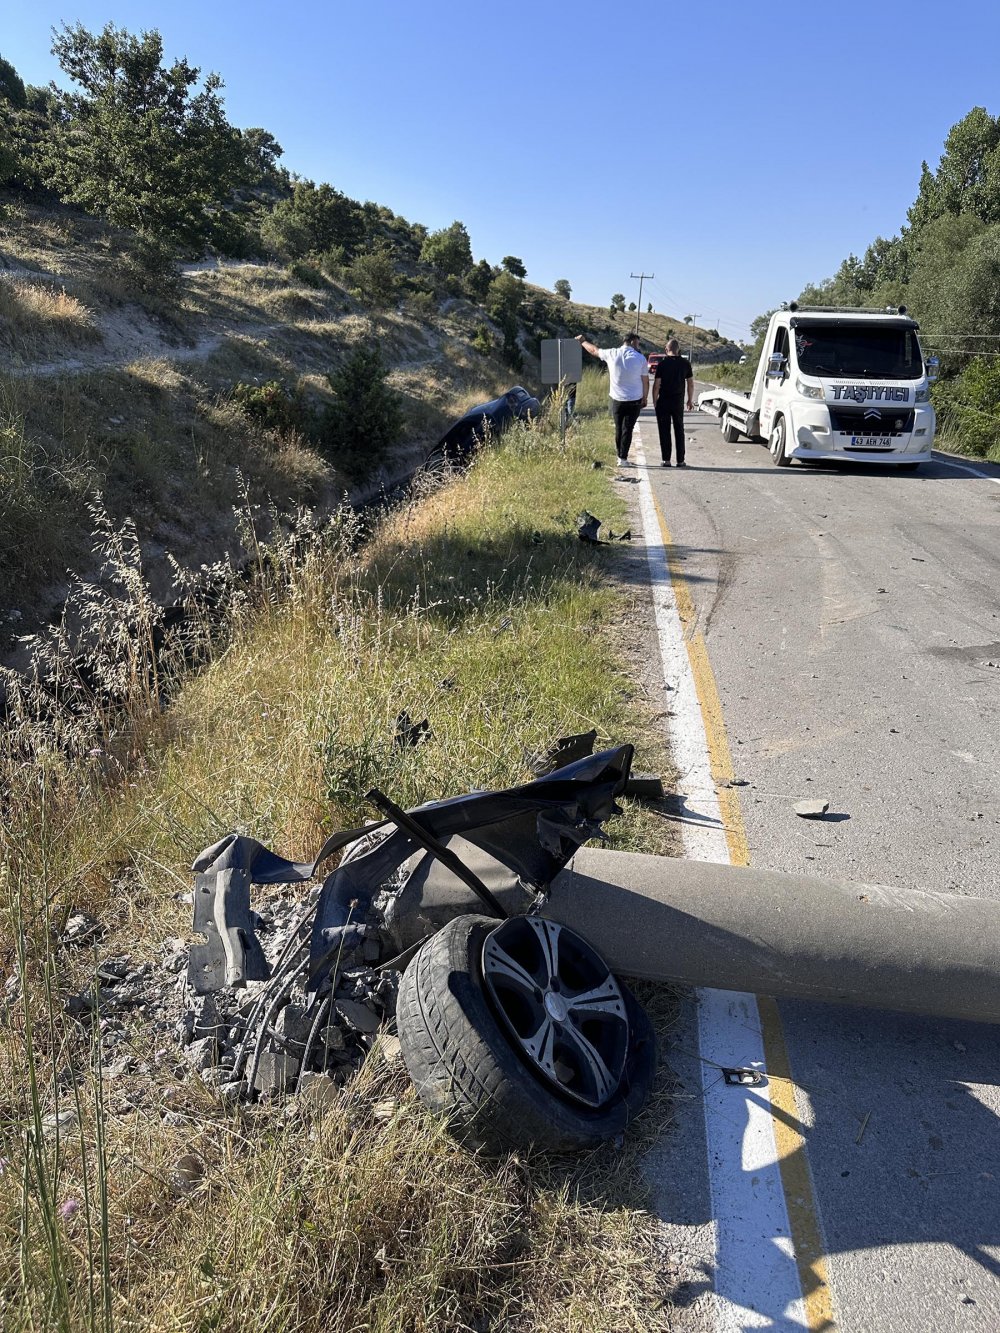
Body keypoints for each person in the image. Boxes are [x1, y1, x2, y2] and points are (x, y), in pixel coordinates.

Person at [576, 331, 649, 464]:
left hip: (617, 399)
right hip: (634, 400)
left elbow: (594, 350)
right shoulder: (641, 359)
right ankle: (623, 457)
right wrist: (645, 397)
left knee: (618, 427)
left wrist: (582, 342)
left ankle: (619, 457)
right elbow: (645, 381)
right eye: (638, 343)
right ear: (632, 342)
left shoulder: (612, 353)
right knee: (628, 429)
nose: (638, 346)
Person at [652, 338, 694, 467]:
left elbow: (657, 385)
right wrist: (690, 400)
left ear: (666, 349)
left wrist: (654, 401)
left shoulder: (662, 364)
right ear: (678, 350)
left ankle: (666, 460)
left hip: (663, 401)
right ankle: (680, 460)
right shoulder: (685, 364)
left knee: (664, 430)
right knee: (679, 429)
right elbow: (690, 384)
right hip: (678, 402)